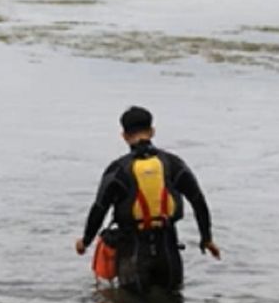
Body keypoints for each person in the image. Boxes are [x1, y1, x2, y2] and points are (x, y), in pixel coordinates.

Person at [74, 106, 219, 293]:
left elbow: (99, 209)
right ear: (152, 131)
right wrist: (206, 239)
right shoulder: (173, 164)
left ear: (124, 136)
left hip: (133, 254)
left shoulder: (118, 170)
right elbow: (198, 201)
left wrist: (85, 241)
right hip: (168, 251)